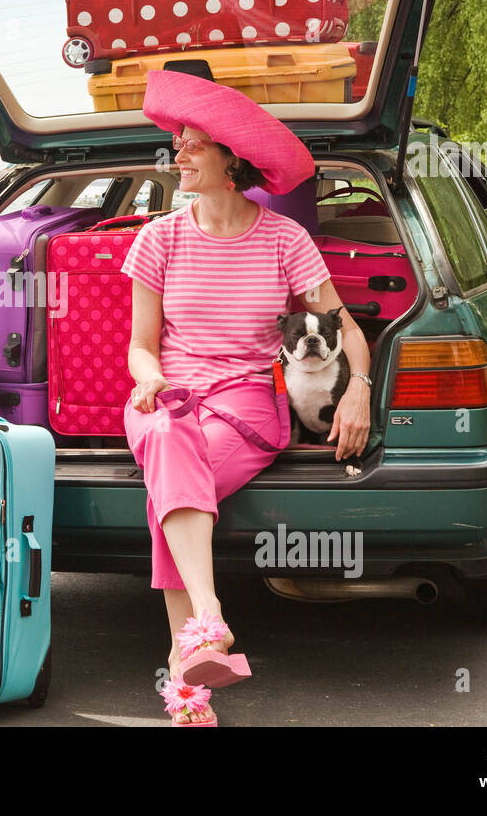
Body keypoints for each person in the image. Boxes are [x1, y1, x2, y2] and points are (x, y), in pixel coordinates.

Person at [121, 70, 372, 726]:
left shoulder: (285, 240)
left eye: (192, 144)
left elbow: (344, 328)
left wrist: (360, 391)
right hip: (165, 398)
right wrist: (148, 377)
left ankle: (188, 679)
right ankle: (207, 623)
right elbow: (140, 345)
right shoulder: (159, 238)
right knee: (171, 438)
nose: (178, 153)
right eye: (177, 143)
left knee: (167, 496)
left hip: (247, 403)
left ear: (231, 159)